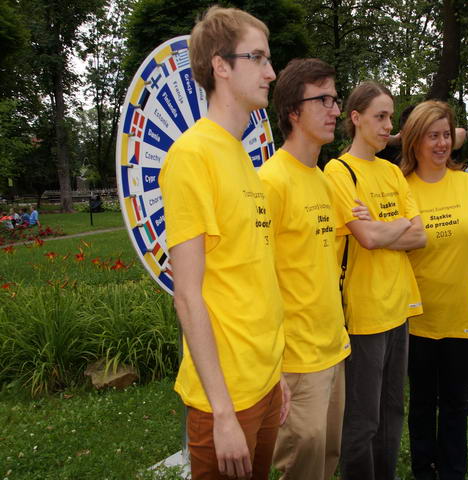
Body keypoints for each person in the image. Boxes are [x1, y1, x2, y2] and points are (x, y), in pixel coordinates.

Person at [158, 7, 289, 480]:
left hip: (264, 383)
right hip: (226, 399)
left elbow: (252, 276)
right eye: (258, 58)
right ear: (221, 66)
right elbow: (187, 296)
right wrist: (223, 414)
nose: (271, 72)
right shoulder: (192, 156)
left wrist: (275, 374)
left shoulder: (242, 157)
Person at [259, 58, 370, 480]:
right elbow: (257, 281)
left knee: (326, 460)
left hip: (333, 349)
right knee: (300, 466)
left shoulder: (324, 180)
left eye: (335, 100)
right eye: (323, 100)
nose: (336, 110)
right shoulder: (270, 182)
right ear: (293, 111)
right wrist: (273, 368)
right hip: (295, 361)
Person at [324, 81, 426, 480]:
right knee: (363, 417)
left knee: (392, 411)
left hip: (399, 306)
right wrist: (398, 224)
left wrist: (385, 226)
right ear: (356, 118)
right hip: (364, 312)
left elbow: (420, 236)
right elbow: (365, 238)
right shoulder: (339, 171)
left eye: (390, 117)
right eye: (380, 116)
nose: (388, 126)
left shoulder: (392, 171)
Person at [399, 100, 468, 480]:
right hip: (416, 319)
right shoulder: (401, 188)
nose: (441, 143)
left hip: (461, 316)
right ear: (415, 141)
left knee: (457, 403)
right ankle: (423, 470)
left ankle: (454, 471)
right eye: (432, 136)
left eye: (446, 135)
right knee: (422, 403)